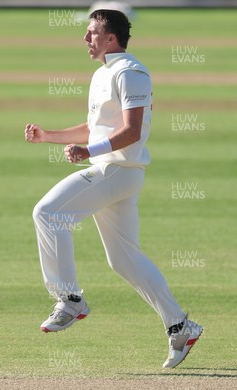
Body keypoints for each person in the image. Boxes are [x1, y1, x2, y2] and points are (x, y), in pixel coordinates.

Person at [24, 9, 202, 369]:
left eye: (92, 33)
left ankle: (70, 299)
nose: (85, 39)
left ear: (111, 38)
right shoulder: (102, 73)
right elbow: (97, 129)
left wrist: (89, 152)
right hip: (113, 169)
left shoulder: (131, 72)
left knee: (48, 212)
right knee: (123, 259)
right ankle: (180, 326)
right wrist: (49, 136)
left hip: (118, 170)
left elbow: (132, 130)